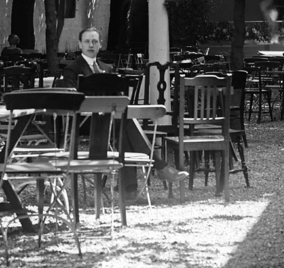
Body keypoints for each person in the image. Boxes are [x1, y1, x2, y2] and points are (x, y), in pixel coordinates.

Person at [59, 26, 188, 197]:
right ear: (80, 44)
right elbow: (70, 98)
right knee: (126, 123)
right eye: (87, 41)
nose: (91, 45)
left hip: (111, 121)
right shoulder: (72, 69)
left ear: (100, 45)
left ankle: (129, 190)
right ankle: (158, 167)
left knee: (125, 130)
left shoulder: (107, 68)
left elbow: (119, 99)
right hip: (84, 122)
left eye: (94, 41)